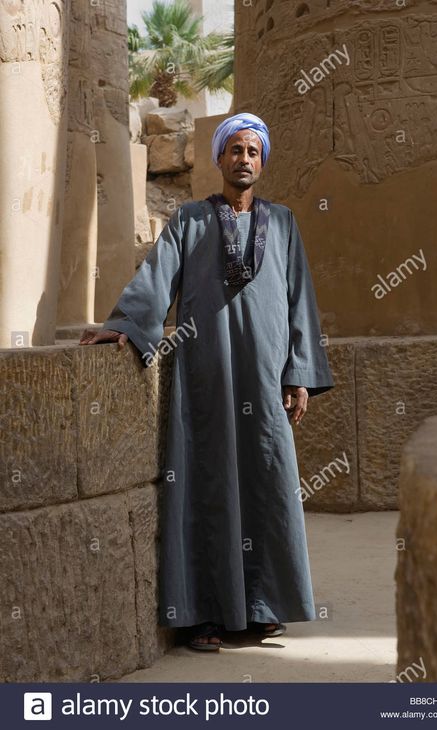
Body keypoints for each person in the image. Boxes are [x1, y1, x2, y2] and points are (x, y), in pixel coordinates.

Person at [80, 112, 335, 652]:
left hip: (265, 380)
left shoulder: (284, 223)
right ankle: (202, 616)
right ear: (219, 159)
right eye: (234, 150)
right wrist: (123, 325)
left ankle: (264, 606)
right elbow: (157, 279)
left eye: (252, 151)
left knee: (267, 480)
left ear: (262, 162)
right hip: (205, 379)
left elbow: (299, 305)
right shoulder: (190, 220)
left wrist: (299, 375)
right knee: (205, 484)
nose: (243, 159)